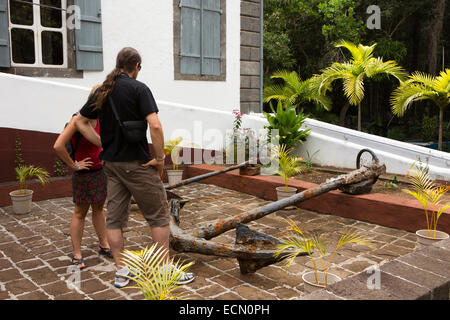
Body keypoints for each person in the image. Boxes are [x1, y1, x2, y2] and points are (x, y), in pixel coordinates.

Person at [75, 47, 195, 288]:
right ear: (136, 65)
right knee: (159, 216)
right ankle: (165, 271)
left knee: (115, 219)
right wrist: (160, 158)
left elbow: (80, 120)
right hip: (138, 165)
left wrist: (102, 143)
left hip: (111, 166)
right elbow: (156, 126)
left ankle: (122, 271)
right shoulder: (139, 89)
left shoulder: (102, 90)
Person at [53, 85, 112, 270]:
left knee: (99, 209)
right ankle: (77, 254)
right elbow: (58, 146)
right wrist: (74, 165)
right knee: (80, 213)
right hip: (83, 175)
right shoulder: (77, 120)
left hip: (99, 172)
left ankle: (104, 244)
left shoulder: (102, 119)